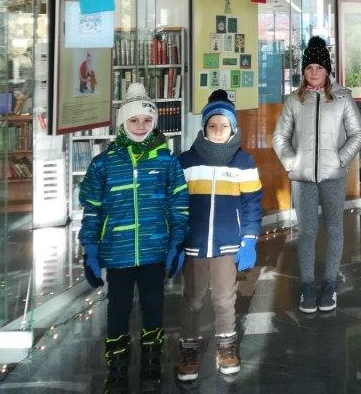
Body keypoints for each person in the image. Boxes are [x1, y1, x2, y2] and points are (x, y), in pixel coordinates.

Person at [78, 82, 189, 393]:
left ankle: (152, 363)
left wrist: (177, 242)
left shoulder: (167, 161)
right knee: (118, 308)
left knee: (154, 306)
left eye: (147, 120)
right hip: (118, 253)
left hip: (155, 250)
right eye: (134, 120)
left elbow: (178, 203)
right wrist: (90, 248)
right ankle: (117, 368)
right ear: (122, 123)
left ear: (154, 123)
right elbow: (92, 209)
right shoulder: (103, 164)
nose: (141, 126)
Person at [272, 36, 361, 313]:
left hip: (333, 176)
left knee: (335, 229)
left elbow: (357, 134)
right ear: (304, 70)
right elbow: (279, 137)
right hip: (302, 178)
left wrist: (340, 159)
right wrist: (291, 162)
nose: (314, 72)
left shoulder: (342, 98)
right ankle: (307, 286)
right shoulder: (294, 100)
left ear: (327, 70)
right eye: (309, 67)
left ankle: (330, 284)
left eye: (319, 67)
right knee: (307, 231)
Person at [176, 90, 262, 381]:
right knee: (192, 298)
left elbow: (252, 202)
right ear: (204, 127)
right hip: (195, 245)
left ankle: (226, 345)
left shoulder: (243, 162)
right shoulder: (186, 162)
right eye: (212, 125)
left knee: (225, 298)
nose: (217, 130)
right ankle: (189, 348)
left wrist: (249, 239)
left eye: (223, 126)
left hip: (227, 244)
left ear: (233, 128)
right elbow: (176, 204)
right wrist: (176, 241)